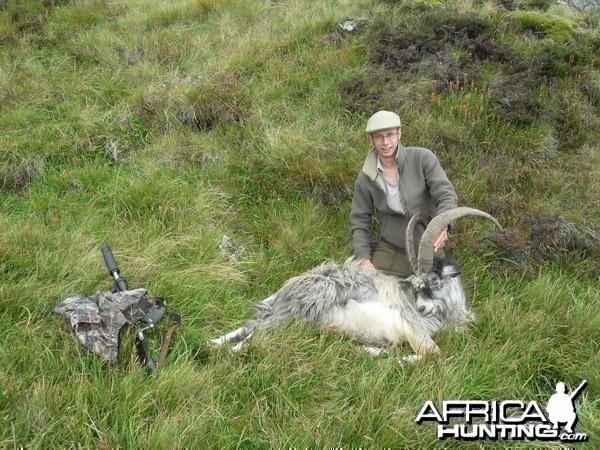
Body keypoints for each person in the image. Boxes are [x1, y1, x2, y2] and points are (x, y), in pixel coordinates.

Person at [350, 110, 458, 277]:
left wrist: (444, 224)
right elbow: (359, 221)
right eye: (378, 136)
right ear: (370, 139)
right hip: (391, 250)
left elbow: (446, 195)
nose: (385, 142)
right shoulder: (366, 177)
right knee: (375, 295)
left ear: (399, 134)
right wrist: (364, 260)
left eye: (390, 135)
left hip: (429, 247)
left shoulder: (422, 158)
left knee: (439, 297)